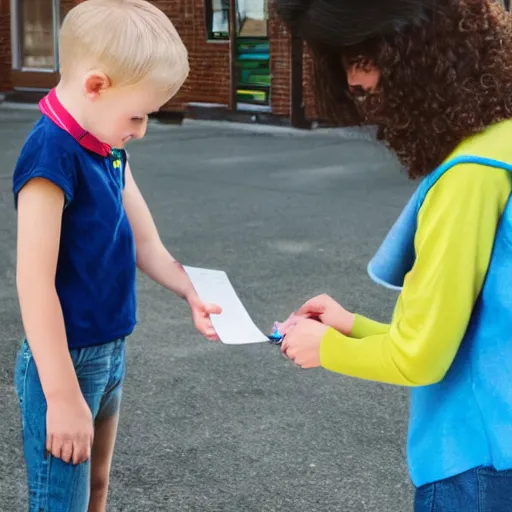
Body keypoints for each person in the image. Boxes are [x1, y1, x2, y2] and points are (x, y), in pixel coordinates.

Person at [275, 0, 512, 510]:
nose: (355, 82)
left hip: (474, 464)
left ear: (413, 54)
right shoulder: (504, 146)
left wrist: (326, 349)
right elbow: (475, 339)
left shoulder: (467, 175)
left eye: (363, 58)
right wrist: (353, 326)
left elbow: (420, 357)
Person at [12, 1, 221, 510]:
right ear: (96, 85)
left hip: (109, 352)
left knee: (97, 488)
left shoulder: (106, 146)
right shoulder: (50, 155)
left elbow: (145, 242)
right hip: (64, 364)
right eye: (137, 115)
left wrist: (190, 288)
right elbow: (32, 282)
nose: (142, 129)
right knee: (62, 503)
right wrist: (61, 396)